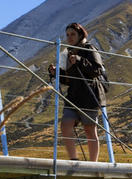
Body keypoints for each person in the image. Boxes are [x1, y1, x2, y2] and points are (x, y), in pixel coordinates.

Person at [48, 22, 106, 162]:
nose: (70, 37)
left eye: (73, 34)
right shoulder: (67, 53)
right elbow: (68, 80)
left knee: (89, 130)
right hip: (73, 96)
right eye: (67, 35)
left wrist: (79, 60)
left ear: (81, 34)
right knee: (66, 125)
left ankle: (93, 163)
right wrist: (56, 73)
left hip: (89, 96)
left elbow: (97, 70)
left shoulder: (89, 48)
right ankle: (73, 159)